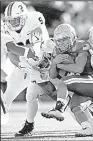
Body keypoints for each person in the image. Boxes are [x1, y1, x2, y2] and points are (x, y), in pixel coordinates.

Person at [41, 24, 93, 137]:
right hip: (77, 86)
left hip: (90, 82)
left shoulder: (81, 46)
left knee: (65, 82)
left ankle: (59, 108)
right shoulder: (57, 51)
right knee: (78, 107)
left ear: (72, 38)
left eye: (65, 39)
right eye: (59, 40)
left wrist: (60, 65)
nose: (62, 43)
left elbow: (78, 68)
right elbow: (53, 76)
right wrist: (54, 63)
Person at [2, 1, 55, 136]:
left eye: (16, 20)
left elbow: (36, 48)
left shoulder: (35, 19)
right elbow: (12, 53)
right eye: (10, 21)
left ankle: (80, 108)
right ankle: (28, 125)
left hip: (43, 62)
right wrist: (20, 65)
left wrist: (24, 56)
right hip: (23, 64)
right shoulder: (5, 28)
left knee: (54, 93)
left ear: (24, 16)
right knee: (9, 94)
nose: (13, 24)